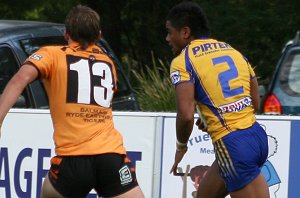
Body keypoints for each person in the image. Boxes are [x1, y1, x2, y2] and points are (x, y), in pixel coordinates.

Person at [0, 5, 144, 198]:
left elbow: (20, 79)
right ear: (99, 35)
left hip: (72, 159)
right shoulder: (108, 63)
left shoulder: (52, 54)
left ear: (66, 33)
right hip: (111, 156)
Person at [166, 2, 269, 198]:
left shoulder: (182, 61)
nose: (167, 38)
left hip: (232, 145)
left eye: (170, 32)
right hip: (256, 137)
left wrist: (181, 146)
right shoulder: (232, 50)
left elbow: (186, 115)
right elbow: (255, 103)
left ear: (185, 32)